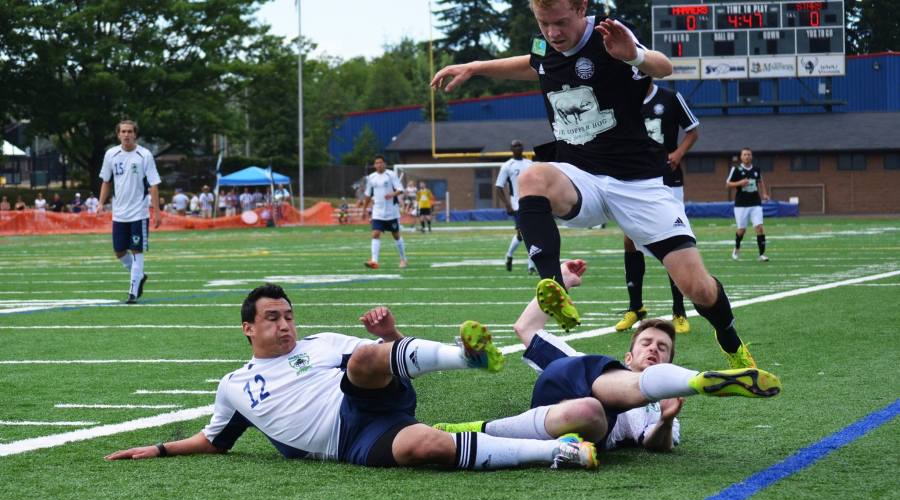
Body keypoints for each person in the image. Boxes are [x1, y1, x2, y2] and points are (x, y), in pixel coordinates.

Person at [431, 0, 757, 370]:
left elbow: (663, 67)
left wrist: (633, 55)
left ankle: (731, 343)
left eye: (560, 23)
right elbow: (533, 64)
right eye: (543, 23)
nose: (552, 33)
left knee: (696, 288)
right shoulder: (544, 45)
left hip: (637, 182)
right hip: (580, 175)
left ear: (582, 7)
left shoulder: (609, 35)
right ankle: (553, 287)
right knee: (531, 176)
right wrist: (475, 68)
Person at [104, 284, 598, 471]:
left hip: (363, 400)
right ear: (248, 328)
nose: (284, 325)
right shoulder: (234, 385)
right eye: (273, 318)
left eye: (288, 316)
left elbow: (384, 361)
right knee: (423, 448)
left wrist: (390, 335)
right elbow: (215, 441)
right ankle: (560, 452)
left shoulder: (321, 343)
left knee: (363, 357)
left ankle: (468, 358)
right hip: (353, 442)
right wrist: (161, 448)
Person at [434, 260, 782, 453]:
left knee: (590, 409)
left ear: (669, 361)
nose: (653, 350)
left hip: (591, 424)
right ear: (628, 356)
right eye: (646, 343)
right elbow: (525, 328)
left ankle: (698, 382)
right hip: (572, 380)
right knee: (585, 367)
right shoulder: (589, 361)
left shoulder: (660, 406)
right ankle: (696, 380)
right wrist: (562, 284)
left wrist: (664, 419)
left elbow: (655, 446)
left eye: (662, 349)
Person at [616, 81, 700, 334]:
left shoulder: (671, 98)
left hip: (667, 179)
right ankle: (636, 307)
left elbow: (693, 130)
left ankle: (679, 310)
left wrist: (678, 154)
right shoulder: (621, 98)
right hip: (635, 179)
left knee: (673, 242)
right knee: (629, 240)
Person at [98, 119, 162, 304]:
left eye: (130, 131)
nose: (126, 134)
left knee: (136, 250)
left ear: (135, 134)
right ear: (118, 134)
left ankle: (133, 292)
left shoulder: (145, 155)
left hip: (139, 213)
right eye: (123, 131)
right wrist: (101, 203)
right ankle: (139, 275)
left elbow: (154, 185)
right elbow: (106, 181)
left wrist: (156, 211)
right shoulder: (111, 154)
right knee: (119, 251)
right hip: (119, 213)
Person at [495, 139, 537, 274]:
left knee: (531, 234)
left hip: (531, 203)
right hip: (517, 205)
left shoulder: (530, 164)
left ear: (523, 147)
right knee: (522, 235)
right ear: (511, 149)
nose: (518, 147)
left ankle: (531, 266)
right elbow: (498, 187)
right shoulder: (507, 166)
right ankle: (509, 255)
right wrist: (507, 204)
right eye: (515, 146)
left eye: (519, 145)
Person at [362, 155, 408, 269]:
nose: (379, 165)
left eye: (381, 162)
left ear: (385, 164)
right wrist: (364, 209)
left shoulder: (391, 174)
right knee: (375, 234)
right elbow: (368, 195)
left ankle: (403, 259)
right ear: (374, 165)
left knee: (396, 236)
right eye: (377, 163)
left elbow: (400, 189)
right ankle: (374, 261)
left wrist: (392, 194)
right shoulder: (371, 177)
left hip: (391, 212)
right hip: (377, 212)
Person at [727, 148, 770, 262]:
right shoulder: (736, 169)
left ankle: (762, 254)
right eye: (745, 154)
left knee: (759, 227)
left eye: (749, 154)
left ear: (752, 156)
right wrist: (740, 183)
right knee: (742, 230)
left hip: (755, 203)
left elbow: (760, 182)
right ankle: (736, 248)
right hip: (741, 204)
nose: (747, 156)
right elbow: (728, 184)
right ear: (741, 157)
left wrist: (765, 193)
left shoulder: (756, 169)